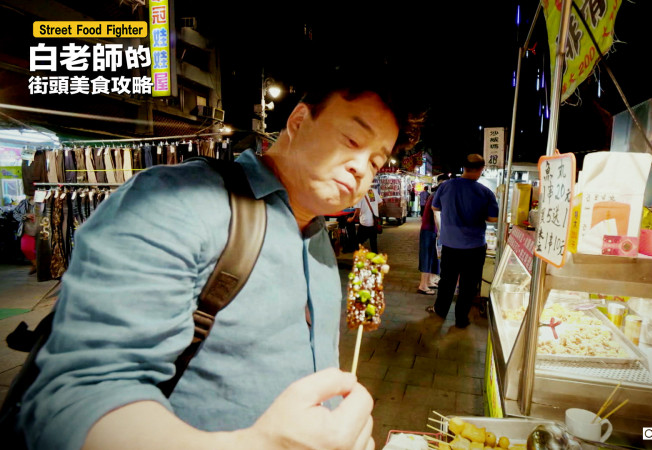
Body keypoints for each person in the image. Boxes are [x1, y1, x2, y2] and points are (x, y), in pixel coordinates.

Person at [19, 63, 425, 450]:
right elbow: (73, 401)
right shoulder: (178, 201)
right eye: (351, 140)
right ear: (299, 121)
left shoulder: (318, 240)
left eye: (376, 162)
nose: (361, 168)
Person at [426, 154, 498, 328]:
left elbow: (435, 207)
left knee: (446, 281)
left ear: (463, 167)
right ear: (481, 169)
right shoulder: (485, 192)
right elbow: (493, 218)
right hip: (475, 247)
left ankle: (440, 310)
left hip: (450, 245)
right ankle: (461, 319)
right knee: (469, 284)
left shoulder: (446, 186)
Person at [416, 183, 439, 295]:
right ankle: (423, 285)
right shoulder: (437, 196)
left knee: (432, 256)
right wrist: (441, 231)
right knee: (427, 257)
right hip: (429, 230)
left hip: (430, 230)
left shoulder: (434, 195)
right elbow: (436, 215)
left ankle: (429, 281)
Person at [349, 186, 382, 252]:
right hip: (374, 221)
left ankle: (359, 254)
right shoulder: (373, 191)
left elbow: (357, 211)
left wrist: (352, 219)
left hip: (365, 222)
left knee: (358, 242)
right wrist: (374, 209)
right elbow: (381, 203)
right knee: (373, 242)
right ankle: (375, 255)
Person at [12, 196, 37, 274]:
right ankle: (36, 264)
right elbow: (15, 213)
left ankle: (38, 265)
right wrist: (25, 216)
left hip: (42, 230)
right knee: (26, 248)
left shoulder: (45, 202)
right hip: (27, 230)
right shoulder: (23, 202)